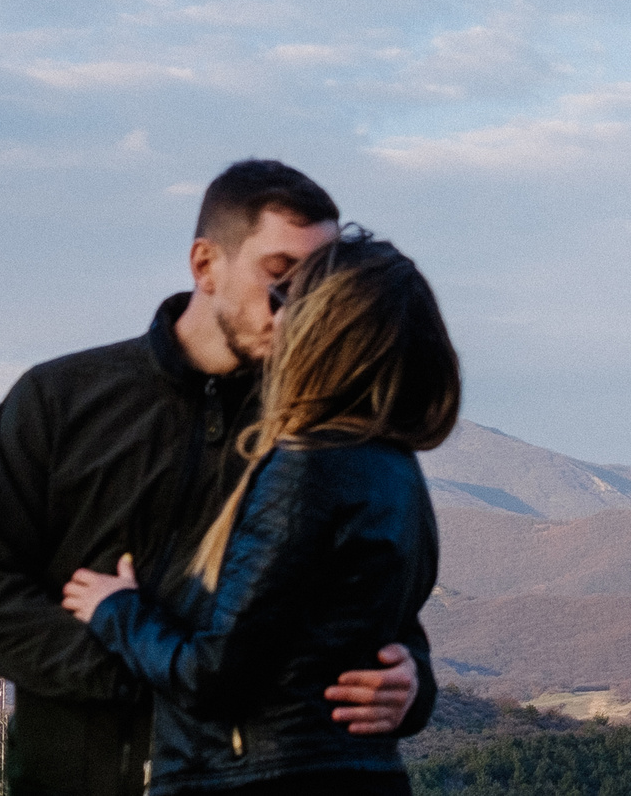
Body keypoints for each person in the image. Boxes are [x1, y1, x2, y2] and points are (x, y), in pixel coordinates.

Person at [0, 161, 428, 796]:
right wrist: (143, 675)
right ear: (205, 265)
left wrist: (413, 680)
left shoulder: (329, 437)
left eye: (321, 284)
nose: (303, 305)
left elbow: (377, 605)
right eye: (282, 276)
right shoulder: (61, 399)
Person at [60, 233, 456, 796]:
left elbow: (215, 676)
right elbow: (367, 628)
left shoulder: (306, 469)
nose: (274, 316)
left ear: (317, 335)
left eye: (285, 302)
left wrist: (114, 610)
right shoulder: (397, 469)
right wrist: (413, 685)